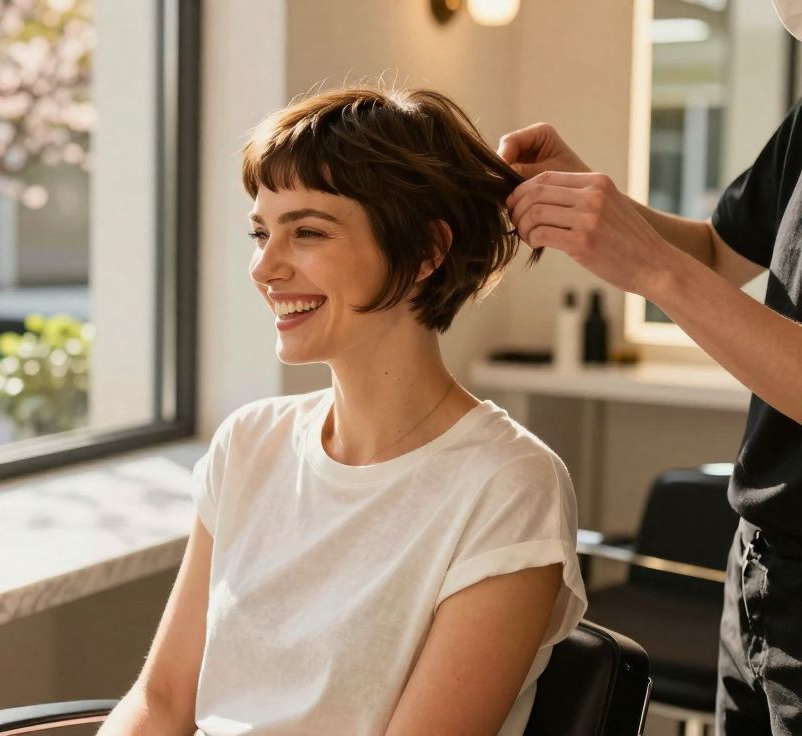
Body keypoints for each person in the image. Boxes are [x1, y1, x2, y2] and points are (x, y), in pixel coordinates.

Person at [97, 85, 587, 736]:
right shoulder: (249, 444)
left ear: (425, 251)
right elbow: (161, 705)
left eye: (306, 232)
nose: (264, 268)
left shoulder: (507, 484)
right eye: (260, 232)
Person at [499, 4, 802, 729]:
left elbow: (681, 273)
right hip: (761, 567)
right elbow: (714, 253)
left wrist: (654, 272)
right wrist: (591, 198)